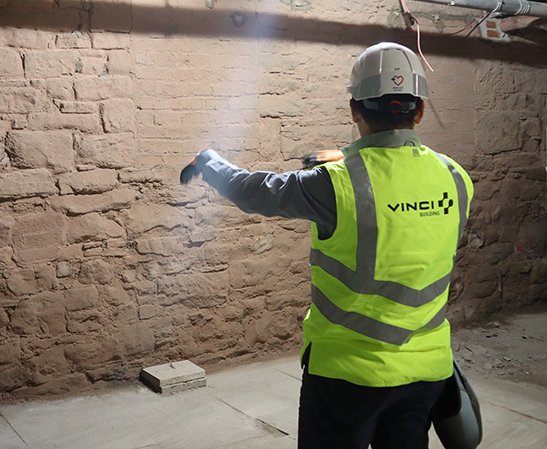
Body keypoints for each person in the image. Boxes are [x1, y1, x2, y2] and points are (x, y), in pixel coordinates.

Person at [182, 42, 473, 449]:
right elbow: (404, 209)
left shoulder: (333, 184)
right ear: (420, 110)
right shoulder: (455, 177)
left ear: (355, 111)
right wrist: (357, 157)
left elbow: (253, 191)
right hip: (426, 371)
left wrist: (207, 160)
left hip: (347, 375)